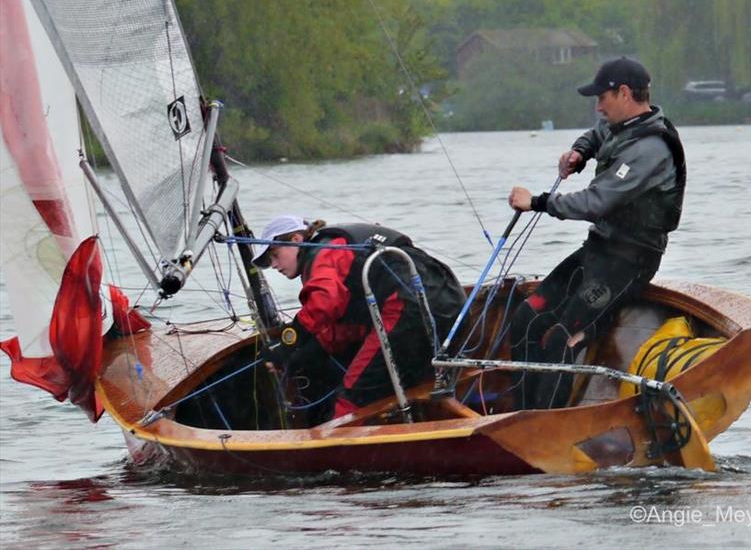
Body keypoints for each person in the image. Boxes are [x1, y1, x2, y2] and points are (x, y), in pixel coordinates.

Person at [507, 56, 686, 410]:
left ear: (623, 93)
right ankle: (520, 416)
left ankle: (546, 429)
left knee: (562, 338)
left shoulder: (650, 149)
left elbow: (596, 202)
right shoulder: (621, 124)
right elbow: (596, 134)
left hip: (630, 260)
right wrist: (580, 152)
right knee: (527, 317)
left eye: (601, 98)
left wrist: (538, 202)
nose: (597, 106)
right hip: (599, 249)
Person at [252, 215, 466, 424]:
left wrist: (288, 342)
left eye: (275, 255)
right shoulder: (336, 248)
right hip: (449, 297)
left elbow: (325, 301)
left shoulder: (324, 254)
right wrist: (304, 355)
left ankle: (335, 450)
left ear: (296, 240)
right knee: (409, 381)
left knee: (354, 396)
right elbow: (349, 326)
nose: (274, 265)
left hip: (406, 306)